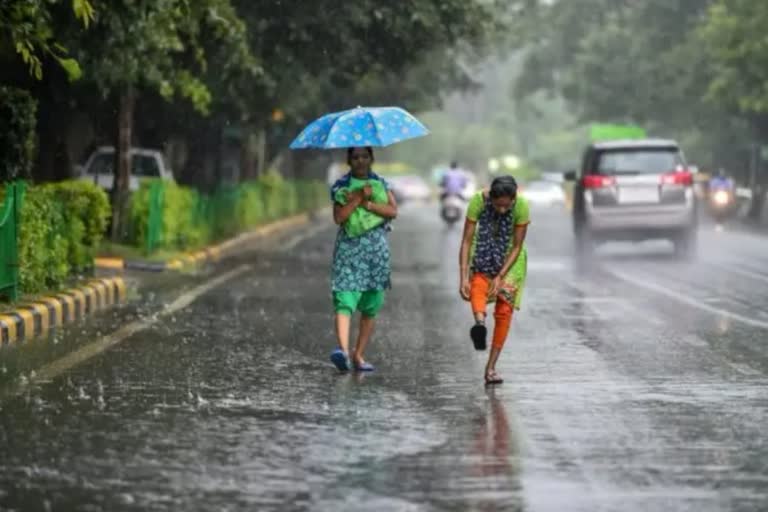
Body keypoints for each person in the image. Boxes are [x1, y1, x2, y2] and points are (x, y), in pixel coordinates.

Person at [328, 146, 398, 372]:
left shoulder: (380, 183)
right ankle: (343, 352)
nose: (360, 161)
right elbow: (339, 218)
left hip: (376, 251)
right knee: (344, 297)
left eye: (364, 157)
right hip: (349, 249)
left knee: (371, 304)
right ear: (349, 160)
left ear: (371, 159)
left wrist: (368, 203)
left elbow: (392, 211)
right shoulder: (341, 186)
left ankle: (358, 355)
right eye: (355, 157)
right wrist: (357, 198)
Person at [459, 175, 530, 386]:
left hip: (511, 260)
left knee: (504, 311)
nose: (501, 210)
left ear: (514, 199)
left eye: (506, 206)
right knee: (478, 285)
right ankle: (479, 324)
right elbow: (466, 241)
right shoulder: (477, 202)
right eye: (497, 205)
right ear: (491, 198)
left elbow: (517, 246)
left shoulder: (522, 206)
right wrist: (463, 277)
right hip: (483, 251)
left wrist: (500, 276)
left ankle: (491, 368)